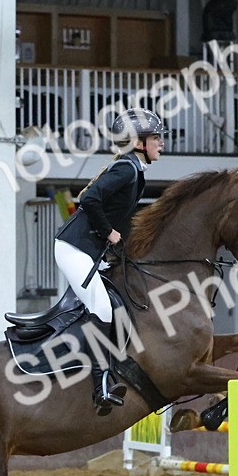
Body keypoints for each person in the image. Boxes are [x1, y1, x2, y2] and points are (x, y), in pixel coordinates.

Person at [54, 107, 166, 416]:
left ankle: (116, 366)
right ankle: (100, 382)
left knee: (120, 304)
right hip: (73, 248)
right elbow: (89, 200)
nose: (162, 144)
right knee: (102, 309)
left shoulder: (133, 168)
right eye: (156, 138)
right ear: (139, 142)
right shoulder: (127, 169)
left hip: (88, 248)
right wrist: (109, 233)